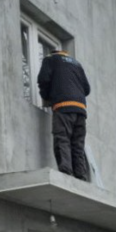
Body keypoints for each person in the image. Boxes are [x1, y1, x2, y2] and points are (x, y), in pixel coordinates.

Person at [38, 49, 91, 181]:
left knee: (62, 138)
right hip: (80, 111)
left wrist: (46, 96)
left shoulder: (50, 59)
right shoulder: (77, 64)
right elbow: (87, 89)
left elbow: (43, 79)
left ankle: (66, 172)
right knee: (78, 144)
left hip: (63, 106)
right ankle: (81, 175)